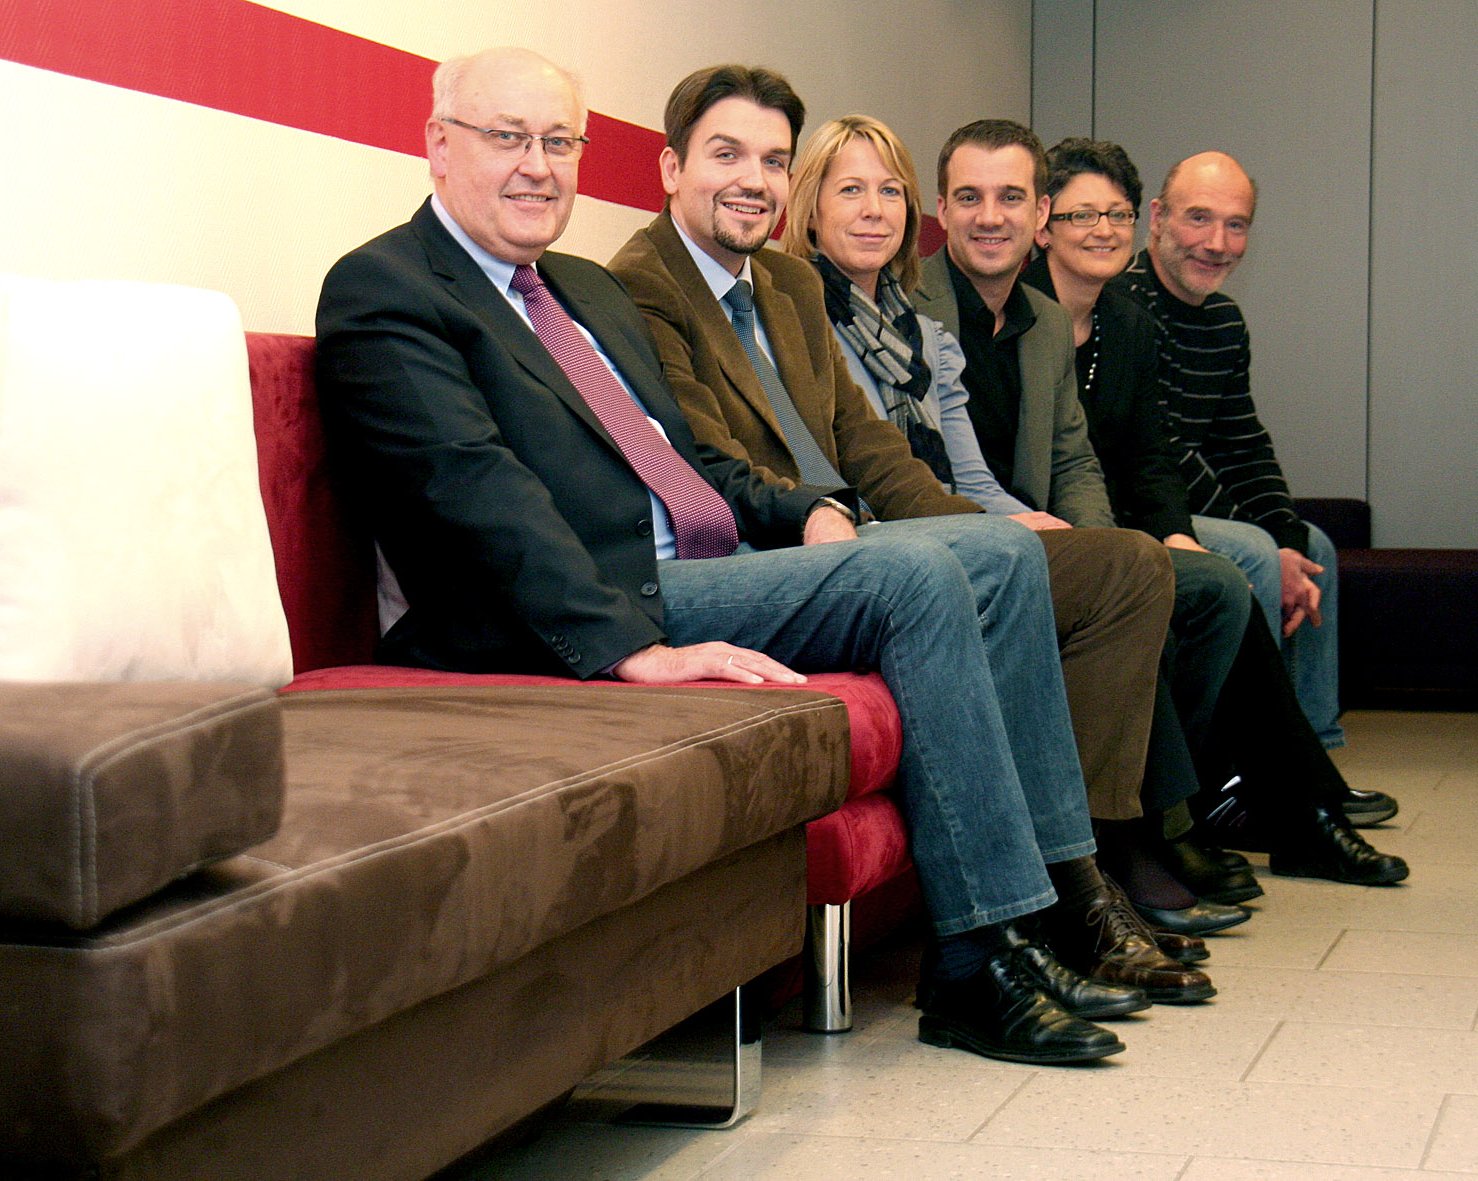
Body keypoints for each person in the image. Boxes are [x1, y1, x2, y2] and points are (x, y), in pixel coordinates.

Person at [316, 46, 1147, 1067]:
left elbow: (689, 455)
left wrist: (804, 510)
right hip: (589, 599)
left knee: (999, 554)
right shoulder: (387, 288)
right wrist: (633, 647)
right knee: (916, 573)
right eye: (507, 138)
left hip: (705, 562)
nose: (538, 165)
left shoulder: (579, 288)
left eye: (559, 141)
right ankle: (975, 965)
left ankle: (1054, 902)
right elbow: (475, 496)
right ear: (438, 147)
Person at [607, 65, 1217, 1001]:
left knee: (1113, 564)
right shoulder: (640, 285)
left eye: (771, 160)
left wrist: (981, 532)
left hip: (855, 529)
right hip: (768, 549)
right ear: (670, 168)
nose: (754, 180)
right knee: (993, 560)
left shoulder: (782, 283)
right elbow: (705, 458)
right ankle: (1052, 904)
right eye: (727, 155)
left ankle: (1081, 869)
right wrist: (826, 515)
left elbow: (870, 444)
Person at [774, 113, 1258, 930]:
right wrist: (1002, 533)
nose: (873, 209)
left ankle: (1111, 844)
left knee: (1135, 564)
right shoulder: (797, 315)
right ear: (810, 208)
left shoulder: (921, 332)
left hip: (943, 522)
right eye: (849, 190)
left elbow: (972, 476)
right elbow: (853, 476)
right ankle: (1100, 857)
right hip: (871, 542)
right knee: (1123, 571)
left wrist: (1035, 523)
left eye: (889, 191)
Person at [1022, 136, 1406, 885]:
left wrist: (1253, 534)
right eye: (1081, 215)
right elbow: (1117, 461)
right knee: (1240, 561)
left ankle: (1298, 785)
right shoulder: (1043, 311)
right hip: (1062, 527)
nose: (1217, 242)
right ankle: (1236, 795)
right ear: (1046, 224)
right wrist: (1176, 536)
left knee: (1290, 553)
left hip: (1125, 517)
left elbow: (1205, 446)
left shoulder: (1131, 321)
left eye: (1113, 214)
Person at [1108, 153, 1375, 804]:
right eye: (1199, 218)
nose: (1217, 243)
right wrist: (1267, 545)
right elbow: (1160, 453)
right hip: (1134, 506)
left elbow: (1242, 443)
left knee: (1313, 547)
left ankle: (1312, 761)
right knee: (1256, 553)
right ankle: (1259, 781)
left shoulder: (1224, 321)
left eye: (1236, 225)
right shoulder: (1123, 305)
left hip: (1187, 501)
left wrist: (1287, 537)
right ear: (1157, 218)